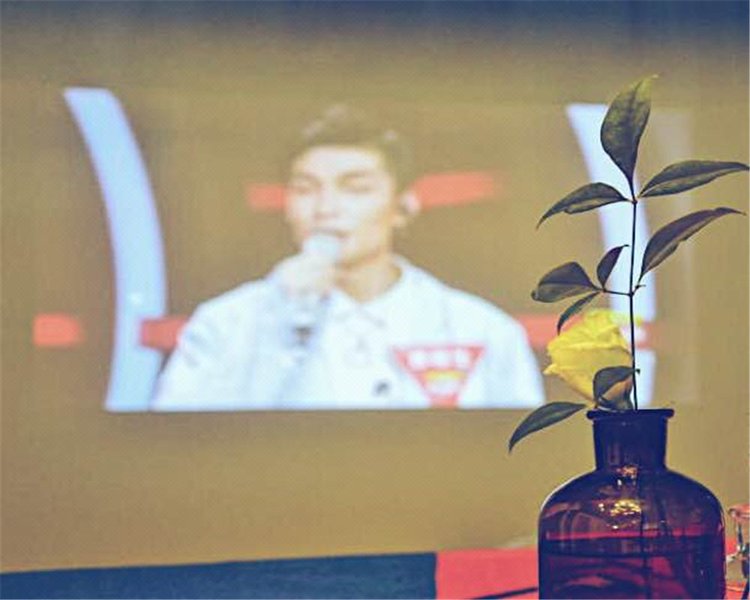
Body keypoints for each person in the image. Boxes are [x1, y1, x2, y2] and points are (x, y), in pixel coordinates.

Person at [152, 106, 545, 410]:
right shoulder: (225, 323)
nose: (326, 209)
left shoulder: (481, 328)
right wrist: (281, 321)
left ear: (403, 207)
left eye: (354, 189)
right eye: (306, 189)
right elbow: (177, 448)